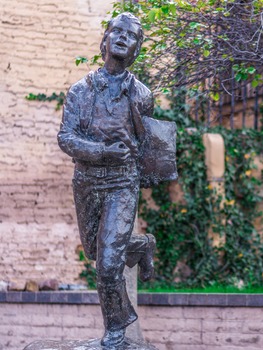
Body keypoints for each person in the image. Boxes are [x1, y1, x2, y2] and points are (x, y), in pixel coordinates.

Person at [57, 13, 172, 347]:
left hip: (122, 183)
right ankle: (141, 244)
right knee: (97, 252)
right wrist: (103, 151)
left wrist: (140, 164)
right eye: (117, 32)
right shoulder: (80, 91)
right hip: (87, 182)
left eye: (132, 35)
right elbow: (66, 138)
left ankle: (115, 330)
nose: (123, 38)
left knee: (107, 266)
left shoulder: (141, 95)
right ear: (104, 41)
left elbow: (149, 141)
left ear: (136, 49)